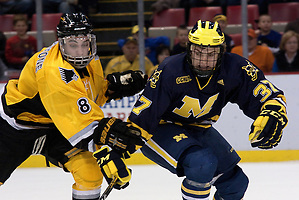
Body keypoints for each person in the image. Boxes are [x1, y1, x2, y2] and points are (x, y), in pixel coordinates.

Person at [119, 20, 288, 200]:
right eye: (198, 53)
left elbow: (270, 95)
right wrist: (119, 150)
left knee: (236, 184)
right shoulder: (170, 69)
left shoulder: (235, 68)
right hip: (159, 128)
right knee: (202, 164)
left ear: (222, 52)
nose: (203, 62)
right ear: (189, 49)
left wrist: (273, 113)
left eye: (211, 54)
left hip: (199, 127)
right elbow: (143, 117)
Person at [0, 13, 147, 200]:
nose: (80, 51)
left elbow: (85, 97)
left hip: (55, 127)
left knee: (89, 171)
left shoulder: (90, 59)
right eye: (73, 44)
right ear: (61, 43)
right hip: (15, 129)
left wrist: (111, 88)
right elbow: (82, 123)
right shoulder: (53, 71)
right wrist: (109, 142)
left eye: (84, 43)